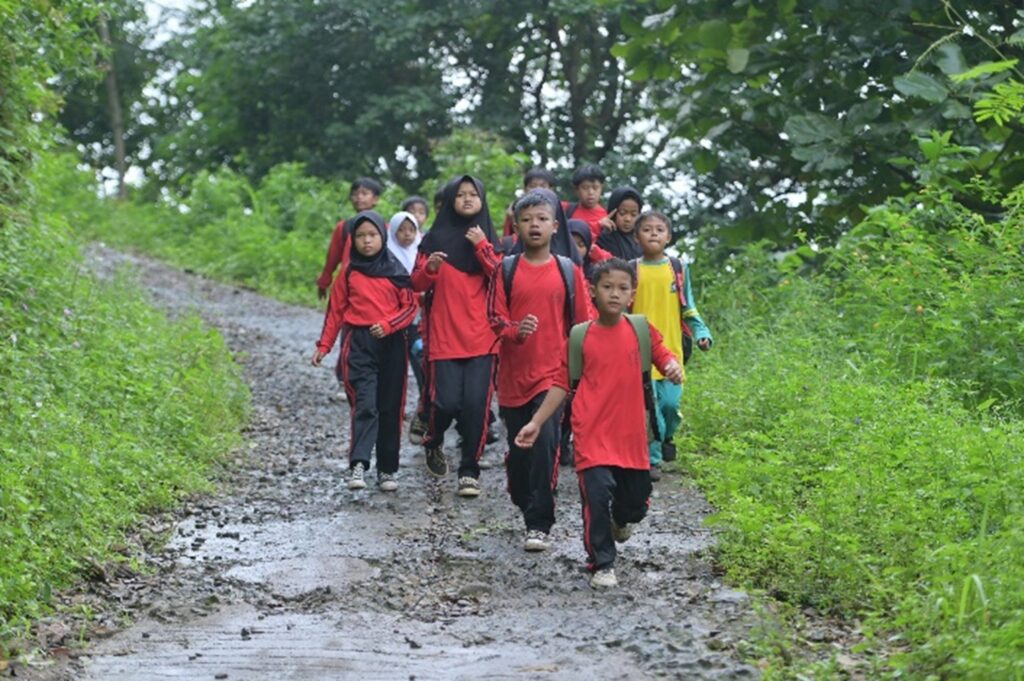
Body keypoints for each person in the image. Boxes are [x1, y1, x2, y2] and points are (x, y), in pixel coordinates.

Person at [513, 258, 683, 587]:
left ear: (632, 294)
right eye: (607, 287)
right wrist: (536, 422)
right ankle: (602, 562)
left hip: (631, 435)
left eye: (622, 288)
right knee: (596, 493)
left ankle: (623, 519)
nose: (614, 294)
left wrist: (672, 366)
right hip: (591, 433)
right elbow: (561, 383)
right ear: (592, 292)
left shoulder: (640, 329)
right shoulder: (580, 337)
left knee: (635, 503)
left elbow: (662, 355)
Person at [488, 190, 592, 551]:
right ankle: (522, 494)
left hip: (554, 377)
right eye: (527, 219)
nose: (535, 225)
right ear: (516, 226)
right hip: (513, 377)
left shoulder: (569, 271)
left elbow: (584, 325)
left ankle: (539, 522)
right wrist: (515, 330)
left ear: (554, 226)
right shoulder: (505, 270)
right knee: (520, 454)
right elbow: (494, 318)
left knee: (546, 444)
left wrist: (585, 369)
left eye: (542, 219)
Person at [312, 211, 417, 491]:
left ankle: (387, 469)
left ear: (382, 238)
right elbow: (335, 311)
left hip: (392, 345)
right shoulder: (349, 272)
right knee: (365, 404)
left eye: (372, 235)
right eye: (360, 236)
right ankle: (359, 464)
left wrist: (389, 324)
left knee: (390, 407)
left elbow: (409, 307)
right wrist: (324, 345)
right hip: (359, 343)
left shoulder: (396, 271)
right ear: (353, 241)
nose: (367, 241)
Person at [412, 175, 502, 497]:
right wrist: (431, 268)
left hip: (483, 339)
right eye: (460, 194)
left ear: (482, 200)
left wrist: (480, 246)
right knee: (446, 402)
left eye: (473, 194)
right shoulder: (433, 240)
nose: (467, 199)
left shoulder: (491, 241)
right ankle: (433, 440)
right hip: (445, 338)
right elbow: (416, 285)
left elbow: (502, 279)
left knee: (476, 407)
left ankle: (469, 470)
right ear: (450, 200)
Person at [630, 210, 713, 479]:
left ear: (668, 236)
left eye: (659, 229)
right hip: (640, 352)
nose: (653, 233)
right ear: (636, 236)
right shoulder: (631, 269)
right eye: (647, 229)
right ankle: (652, 460)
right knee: (649, 407)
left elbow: (689, 307)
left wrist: (702, 332)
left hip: (672, 353)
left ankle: (666, 437)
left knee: (669, 405)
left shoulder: (677, 268)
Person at [316, 177, 383, 299]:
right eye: (355, 194)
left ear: (375, 199)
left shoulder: (385, 227)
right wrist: (324, 281)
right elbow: (332, 258)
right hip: (347, 283)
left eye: (364, 193)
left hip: (376, 283)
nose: (359, 198)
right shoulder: (344, 227)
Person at [502, 167, 558, 237]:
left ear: (551, 189)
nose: (538, 189)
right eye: (532, 186)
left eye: (542, 186)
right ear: (525, 189)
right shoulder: (514, 210)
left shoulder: (562, 209)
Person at [596, 186, 643, 261]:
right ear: (613, 213)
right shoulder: (603, 237)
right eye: (622, 213)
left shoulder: (642, 239)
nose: (628, 219)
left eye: (633, 215)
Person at [563, 164, 608, 239]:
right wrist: (597, 226)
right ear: (576, 190)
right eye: (585, 187)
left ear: (602, 188)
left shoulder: (607, 216)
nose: (591, 192)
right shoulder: (565, 209)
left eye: (595, 187)